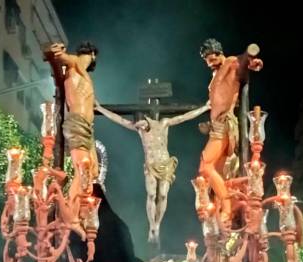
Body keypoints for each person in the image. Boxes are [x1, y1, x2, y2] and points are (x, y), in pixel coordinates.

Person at [95, 100, 209, 244]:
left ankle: (158, 224)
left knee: (162, 195)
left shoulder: (163, 124)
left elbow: (184, 117)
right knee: (151, 194)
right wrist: (100, 108)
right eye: (138, 125)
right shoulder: (140, 130)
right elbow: (119, 119)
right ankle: (152, 227)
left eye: (141, 124)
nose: (139, 126)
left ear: (146, 120)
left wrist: (204, 107)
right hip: (151, 166)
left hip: (165, 165)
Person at [197, 38, 262, 223]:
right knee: (217, 176)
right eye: (206, 60)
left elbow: (244, 61)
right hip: (217, 126)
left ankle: (226, 206)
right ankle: (223, 215)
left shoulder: (230, 63)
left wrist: (253, 62)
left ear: (217, 53)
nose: (209, 63)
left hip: (224, 124)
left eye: (210, 58)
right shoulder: (217, 73)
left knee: (205, 166)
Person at [43, 41, 100, 207]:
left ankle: (75, 209)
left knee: (93, 171)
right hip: (77, 123)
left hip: (87, 127)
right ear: (93, 55)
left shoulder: (79, 74)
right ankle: (71, 212)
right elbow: (62, 58)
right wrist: (57, 52)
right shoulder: (75, 62)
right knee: (82, 169)